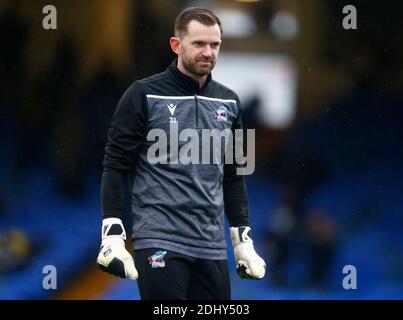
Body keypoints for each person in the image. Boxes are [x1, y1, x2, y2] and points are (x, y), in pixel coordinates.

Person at [96, 7, 266, 300]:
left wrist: (242, 242)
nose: (208, 52)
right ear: (177, 45)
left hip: (211, 245)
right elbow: (115, 166)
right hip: (159, 239)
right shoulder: (140, 95)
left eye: (215, 44)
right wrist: (112, 234)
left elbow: (235, 177)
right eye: (199, 43)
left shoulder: (232, 102)